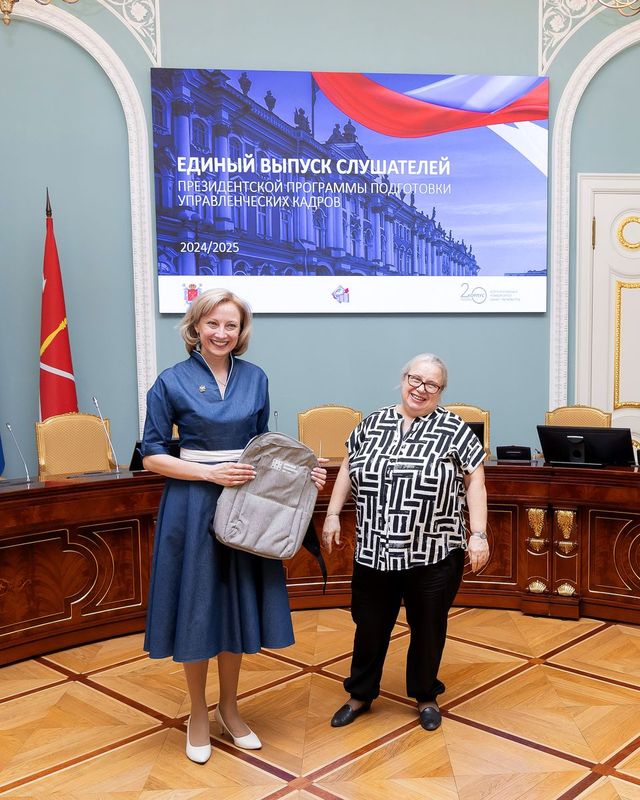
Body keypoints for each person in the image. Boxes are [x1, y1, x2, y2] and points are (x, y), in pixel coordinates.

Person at [141, 288, 326, 764]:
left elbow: (264, 450)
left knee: (234, 605)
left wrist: (301, 475)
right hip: (192, 503)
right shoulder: (170, 381)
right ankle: (198, 715)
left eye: (231, 325)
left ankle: (229, 707)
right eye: (213, 324)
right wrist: (208, 474)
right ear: (195, 327)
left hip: (246, 505)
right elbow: (152, 456)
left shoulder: (256, 378)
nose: (221, 333)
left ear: (241, 332)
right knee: (197, 606)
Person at [322, 353, 488, 732]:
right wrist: (332, 513)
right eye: (416, 379)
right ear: (403, 379)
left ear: (440, 391)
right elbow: (347, 466)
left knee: (428, 628)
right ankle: (360, 694)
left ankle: (426, 695)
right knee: (369, 626)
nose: (421, 389)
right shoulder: (372, 422)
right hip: (374, 548)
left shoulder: (454, 429)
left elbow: (475, 480)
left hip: (434, 550)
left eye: (432, 384)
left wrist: (478, 534)